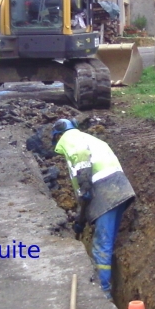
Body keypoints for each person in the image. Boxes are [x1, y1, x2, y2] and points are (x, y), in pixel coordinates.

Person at [52, 119, 136, 299]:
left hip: (105, 191)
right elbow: (85, 196)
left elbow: (81, 159)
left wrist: (84, 185)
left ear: (58, 135)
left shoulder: (70, 139)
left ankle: (104, 292)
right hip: (119, 188)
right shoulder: (91, 139)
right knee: (108, 242)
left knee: (101, 246)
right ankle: (107, 286)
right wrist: (81, 220)